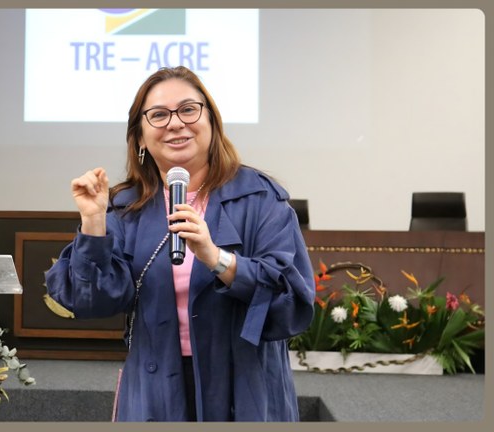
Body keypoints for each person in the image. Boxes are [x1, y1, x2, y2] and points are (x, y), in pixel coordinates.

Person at [45, 66, 315, 422]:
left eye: (188, 109)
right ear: (140, 138)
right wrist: (94, 222)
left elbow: (293, 300)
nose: (175, 123)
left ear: (211, 122)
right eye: (158, 115)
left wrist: (217, 259)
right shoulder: (126, 207)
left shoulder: (260, 198)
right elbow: (89, 299)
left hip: (244, 388)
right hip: (157, 390)